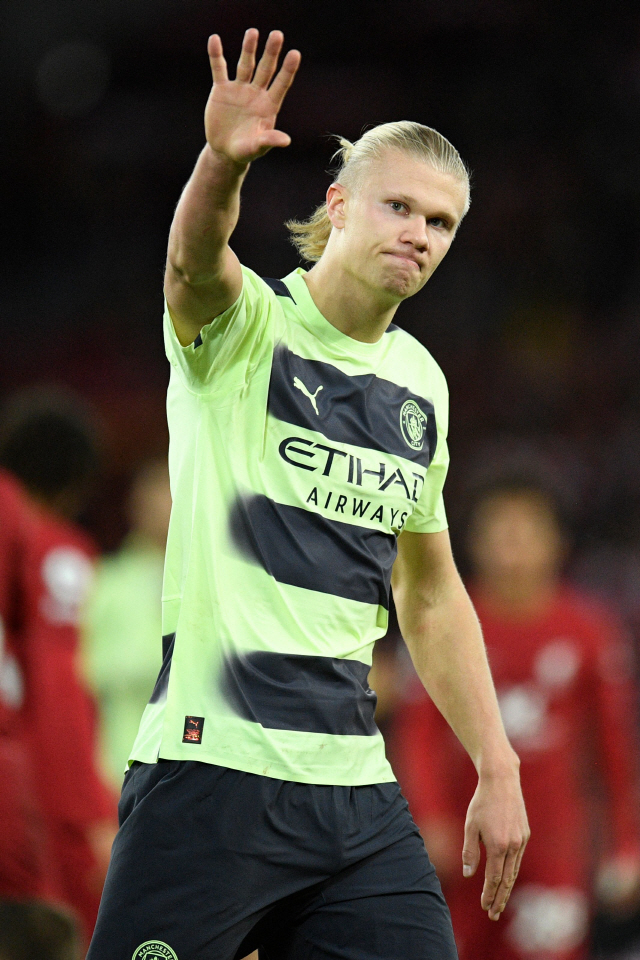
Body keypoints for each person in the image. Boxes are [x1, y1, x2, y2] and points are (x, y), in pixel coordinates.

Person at [88, 28, 529, 960]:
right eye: (398, 206)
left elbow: (428, 591)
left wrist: (497, 760)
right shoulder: (248, 329)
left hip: (353, 793)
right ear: (338, 205)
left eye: (441, 222)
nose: (418, 234)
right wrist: (220, 164)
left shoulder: (420, 383)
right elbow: (191, 264)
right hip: (212, 773)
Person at [391, 474, 640, 959]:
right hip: (462, 846)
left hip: (554, 848)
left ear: (557, 542)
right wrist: (429, 815)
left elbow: (615, 748)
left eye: (526, 531)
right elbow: (418, 731)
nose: (513, 547)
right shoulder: (442, 624)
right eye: (500, 531)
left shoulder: (590, 630)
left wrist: (627, 844)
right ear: (471, 541)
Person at [0, 388, 118, 947]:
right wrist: (86, 812)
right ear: (74, 485)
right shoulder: (57, 552)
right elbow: (54, 685)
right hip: (37, 792)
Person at [83, 459, 170, 787]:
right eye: (160, 498)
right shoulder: (107, 580)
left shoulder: (222, 584)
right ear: (137, 508)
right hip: (119, 759)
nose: (170, 508)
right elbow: (89, 669)